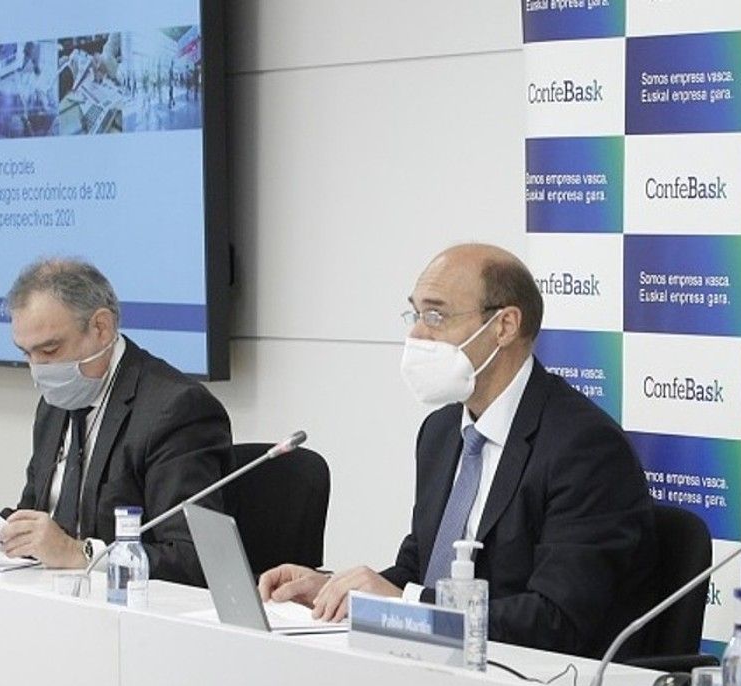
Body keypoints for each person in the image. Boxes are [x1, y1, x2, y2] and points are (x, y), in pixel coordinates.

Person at [258, 244, 662, 659]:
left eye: (435, 316)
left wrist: (404, 606)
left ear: (504, 326)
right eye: (415, 315)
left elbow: (556, 620)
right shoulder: (441, 431)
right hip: (440, 668)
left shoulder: (585, 449)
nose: (416, 334)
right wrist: (336, 590)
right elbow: (419, 571)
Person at [0, 258, 232, 586]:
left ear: (101, 327)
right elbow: (37, 518)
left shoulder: (176, 409)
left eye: (50, 349)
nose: (38, 369)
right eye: (27, 354)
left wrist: (80, 554)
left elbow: (195, 558)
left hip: (135, 616)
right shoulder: (54, 404)